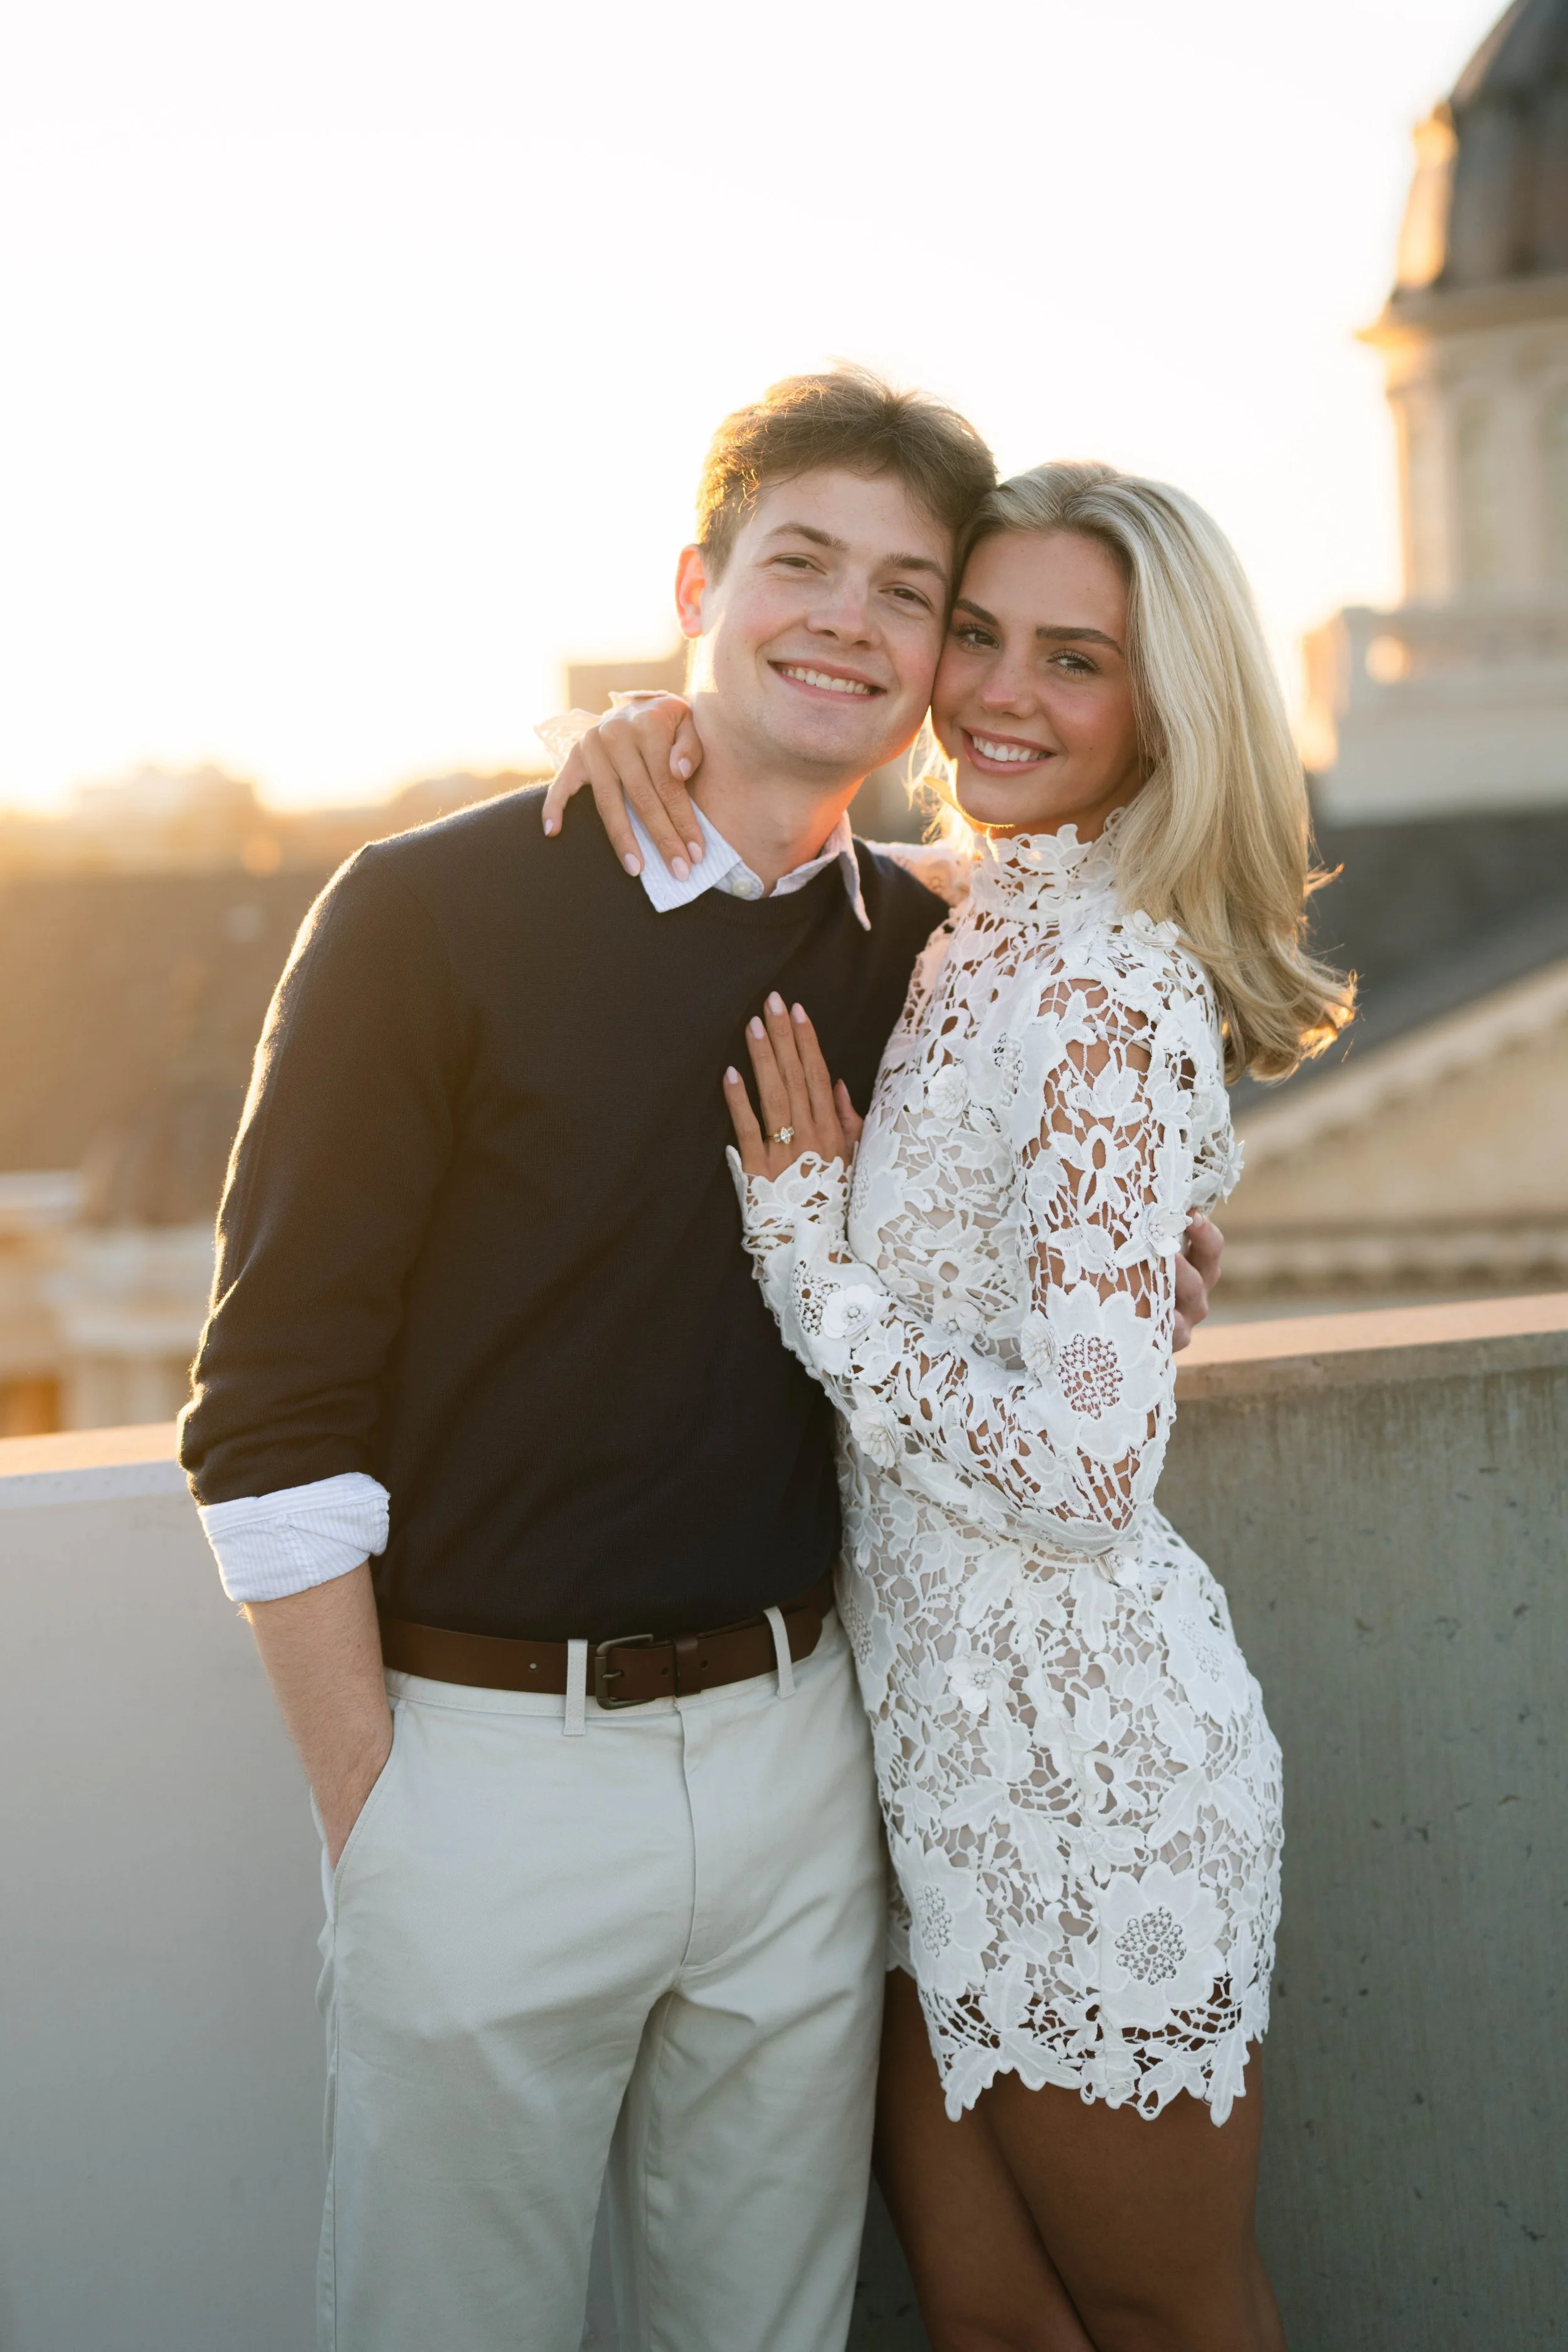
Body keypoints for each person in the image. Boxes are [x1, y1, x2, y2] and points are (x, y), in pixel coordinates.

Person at [181, 369, 1222, 2352]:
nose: (847, 616)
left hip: (798, 1767)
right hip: (481, 1763)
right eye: (799, 561)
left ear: (931, 663)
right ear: (697, 586)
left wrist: (1146, 1238)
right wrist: (381, 1824)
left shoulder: (920, 949)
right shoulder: (430, 912)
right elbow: (268, 1415)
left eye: (905, 590)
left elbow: (1075, 1173)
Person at [546, 460, 1351, 2351]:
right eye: (974, 633)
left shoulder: (1106, 983)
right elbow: (760, 815)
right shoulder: (975, 911)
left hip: (1088, 1769)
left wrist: (803, 1254)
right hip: (929, 1759)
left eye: (1072, 659)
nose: (995, 690)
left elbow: (1085, 1467)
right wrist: (643, 715)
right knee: (988, 2316)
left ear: (1165, 707)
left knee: (1162, 2309)